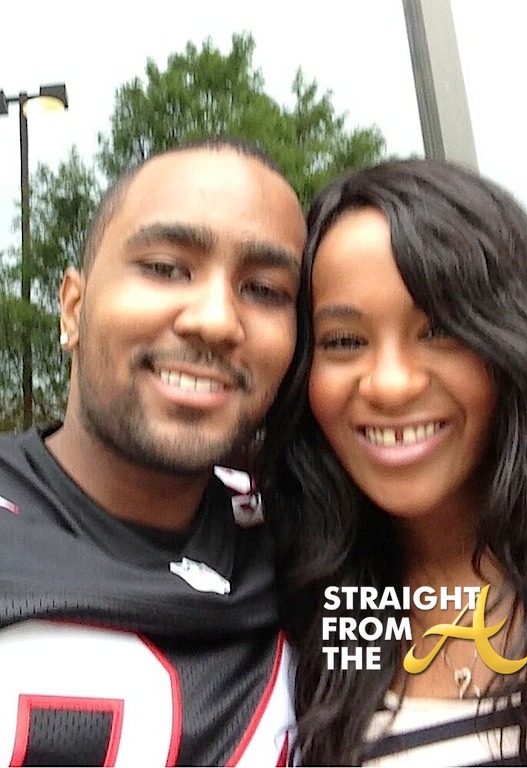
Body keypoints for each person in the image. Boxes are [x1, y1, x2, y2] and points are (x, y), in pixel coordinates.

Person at [0, 137, 306, 766]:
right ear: (73, 308)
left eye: (264, 290)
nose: (215, 320)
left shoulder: (318, 547)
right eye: (166, 268)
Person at [261, 158, 527, 765]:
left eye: (438, 332)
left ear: (512, 341)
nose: (390, 385)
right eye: (344, 341)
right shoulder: (313, 609)